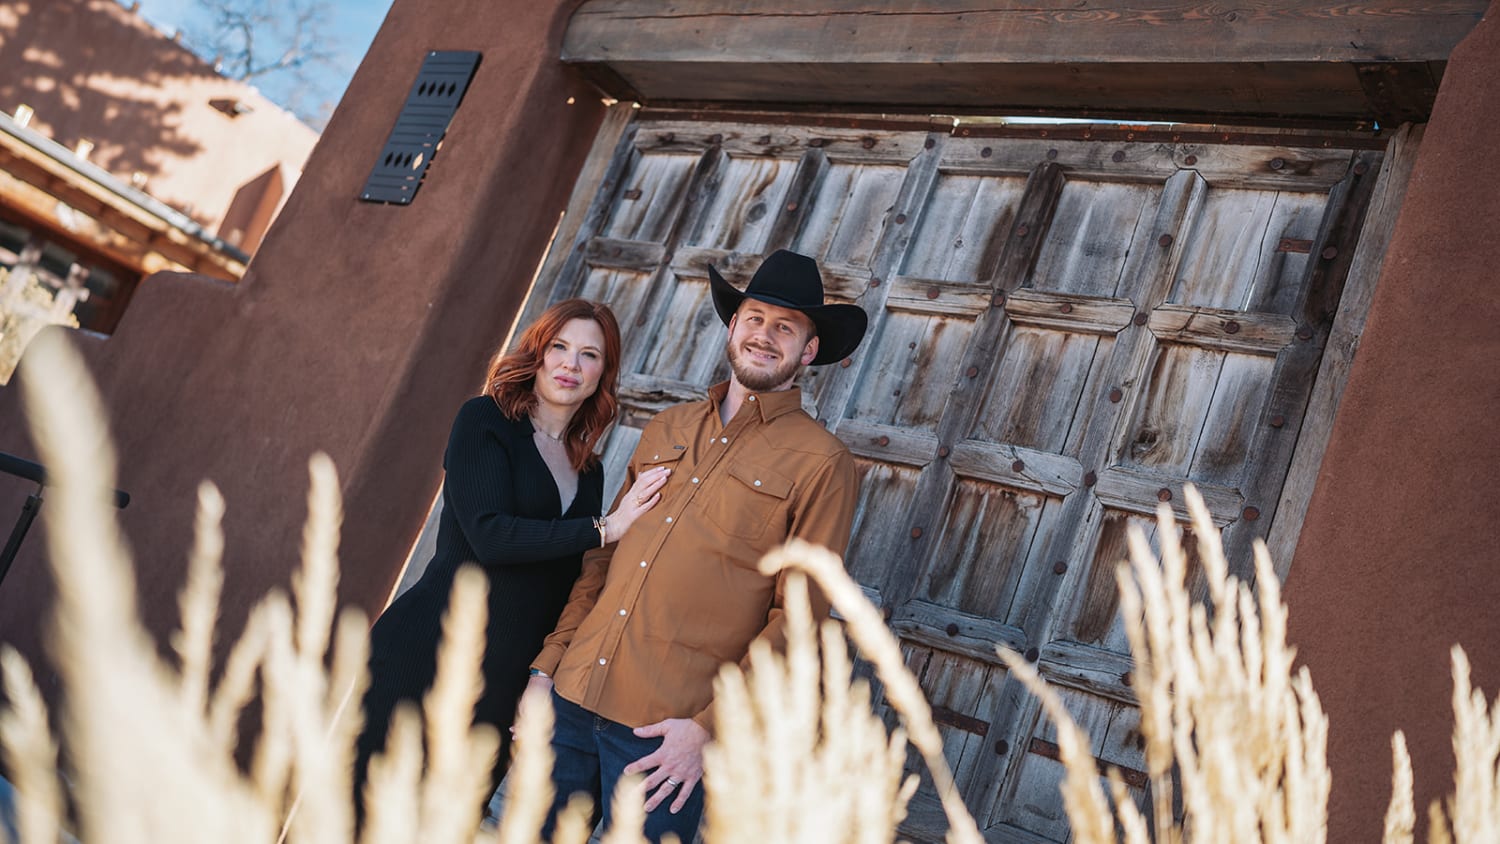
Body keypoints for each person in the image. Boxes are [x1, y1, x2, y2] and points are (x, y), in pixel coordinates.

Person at [525, 250, 869, 843]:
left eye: (786, 327)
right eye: (755, 319)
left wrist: (708, 728)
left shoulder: (823, 463)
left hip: (667, 738)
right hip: (572, 696)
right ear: (733, 327)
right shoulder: (668, 428)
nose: (766, 336)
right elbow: (602, 560)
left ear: (808, 351)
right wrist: (545, 670)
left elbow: (800, 620)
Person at [352, 299, 671, 823]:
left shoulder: (587, 470)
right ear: (538, 354)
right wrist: (606, 529)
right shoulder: (484, 421)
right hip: (425, 651)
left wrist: (542, 677)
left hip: (501, 683)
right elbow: (491, 537)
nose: (571, 364)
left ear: (601, 375)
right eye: (560, 348)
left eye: (589, 355)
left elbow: (565, 583)